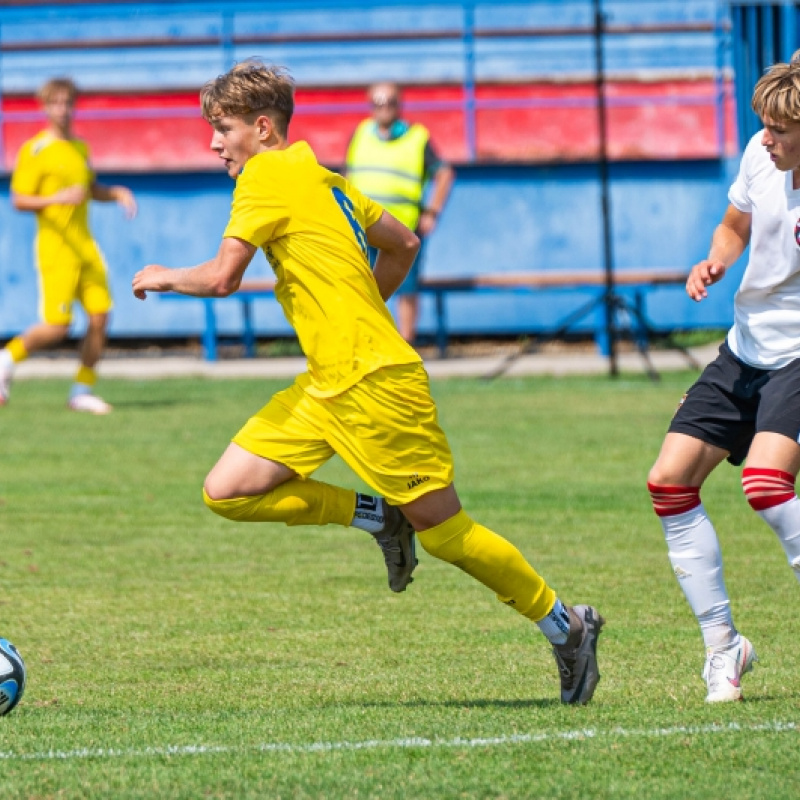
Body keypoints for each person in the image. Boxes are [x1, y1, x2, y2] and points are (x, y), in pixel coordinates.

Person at [131, 60, 604, 705]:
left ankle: (566, 625)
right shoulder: (327, 180)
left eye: (223, 128)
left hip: (376, 386)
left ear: (261, 128)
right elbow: (404, 243)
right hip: (327, 383)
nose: (214, 143)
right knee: (228, 490)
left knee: (447, 536)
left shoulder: (267, 175)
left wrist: (161, 273)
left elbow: (221, 277)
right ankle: (376, 516)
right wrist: (366, 310)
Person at [647, 57, 800, 703]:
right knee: (668, 482)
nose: (766, 138)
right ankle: (723, 648)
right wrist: (715, 261)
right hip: (746, 347)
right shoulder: (760, 157)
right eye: (763, 126)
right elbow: (734, 226)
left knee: (765, 485)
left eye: (780, 130)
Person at [0, 77, 137, 414]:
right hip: (55, 247)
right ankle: (6, 357)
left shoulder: (79, 148)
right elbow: (19, 200)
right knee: (58, 326)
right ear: (45, 107)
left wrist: (116, 192)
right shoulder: (36, 150)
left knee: (100, 317)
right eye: (56, 103)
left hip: (85, 246)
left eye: (67, 102)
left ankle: (81, 390)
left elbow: (90, 190)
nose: (62, 109)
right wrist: (55, 198)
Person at [345, 81, 454, 344]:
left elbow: (444, 173)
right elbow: (347, 175)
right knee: (362, 286)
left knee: (407, 289)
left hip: (403, 228)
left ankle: (406, 345)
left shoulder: (417, 137)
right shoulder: (361, 133)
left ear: (399, 105)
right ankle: (367, 345)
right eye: (377, 103)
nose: (383, 109)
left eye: (390, 102)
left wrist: (432, 212)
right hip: (364, 228)